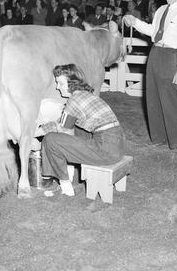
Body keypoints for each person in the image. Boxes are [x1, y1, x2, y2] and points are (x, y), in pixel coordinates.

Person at [123, 0, 177, 149]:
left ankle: (176, 142)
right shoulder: (161, 10)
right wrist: (135, 22)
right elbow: (153, 31)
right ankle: (158, 138)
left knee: (171, 100)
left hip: (170, 57)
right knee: (153, 98)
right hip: (155, 53)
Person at [36, 64, 125, 196]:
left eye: (60, 83)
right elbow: (68, 125)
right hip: (118, 145)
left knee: (51, 140)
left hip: (106, 149)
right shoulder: (86, 95)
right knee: (77, 129)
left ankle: (65, 184)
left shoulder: (75, 100)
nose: (57, 87)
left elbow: (61, 127)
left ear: (71, 83)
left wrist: (34, 133)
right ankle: (69, 172)